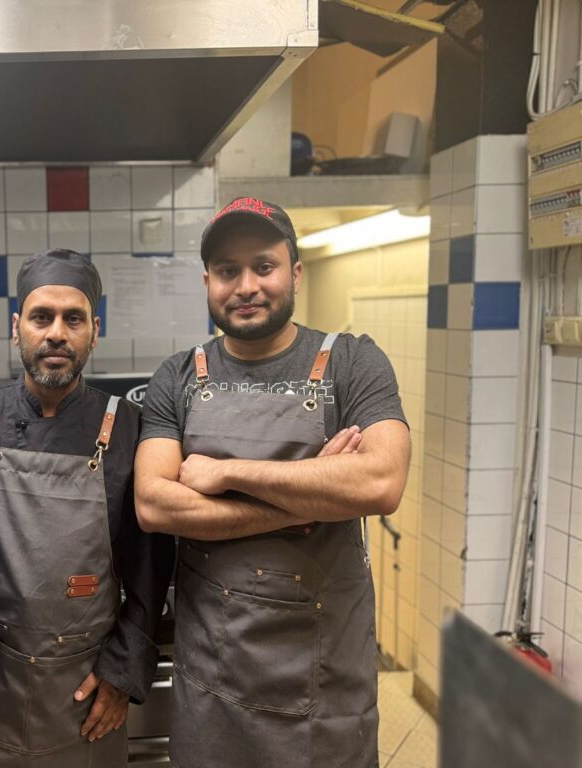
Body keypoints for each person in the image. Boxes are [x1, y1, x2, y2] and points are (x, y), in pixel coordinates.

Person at [135, 198, 411, 768]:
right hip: (213, 684)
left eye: (264, 266)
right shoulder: (177, 376)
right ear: (208, 282)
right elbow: (155, 504)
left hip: (324, 688)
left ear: (296, 273)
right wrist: (305, 502)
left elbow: (381, 481)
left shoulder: (352, 363)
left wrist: (227, 472)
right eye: (227, 270)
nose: (246, 286)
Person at [0, 249, 175, 767]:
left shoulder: (128, 426)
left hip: (89, 688)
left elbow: (150, 565)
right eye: (42, 318)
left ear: (95, 331)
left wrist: (124, 670)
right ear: (16, 328)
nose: (56, 333)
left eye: (73, 319)